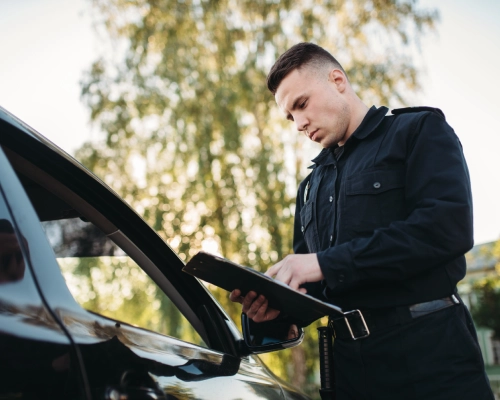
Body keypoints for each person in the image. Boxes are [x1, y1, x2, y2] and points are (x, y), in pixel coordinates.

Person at [230, 42, 494, 399]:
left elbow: (445, 229)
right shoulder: (310, 186)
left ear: (337, 80)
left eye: (301, 104)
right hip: (349, 373)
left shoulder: (417, 131)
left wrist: (324, 262)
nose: (299, 124)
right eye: (290, 117)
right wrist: (277, 310)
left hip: (430, 359)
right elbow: (318, 289)